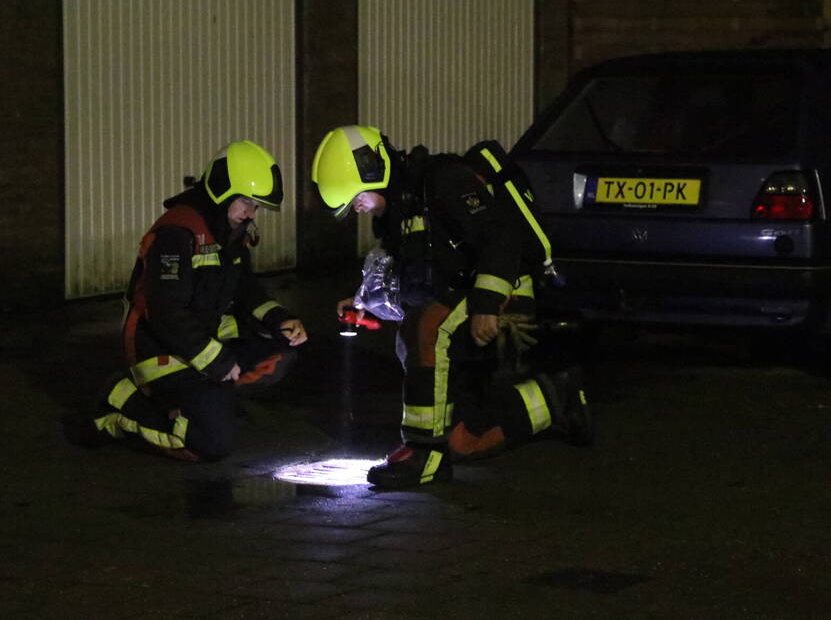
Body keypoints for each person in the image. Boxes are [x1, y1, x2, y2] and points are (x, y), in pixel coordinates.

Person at [311, 125, 591, 488]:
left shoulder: (443, 181)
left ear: (371, 171)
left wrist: (488, 303)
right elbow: (416, 279)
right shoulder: (401, 209)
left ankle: (424, 453)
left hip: (508, 290)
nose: (358, 208)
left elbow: (502, 238)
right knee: (463, 439)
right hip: (464, 297)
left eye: (357, 198)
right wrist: (368, 302)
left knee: (424, 328)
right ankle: (558, 398)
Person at [69, 140, 307, 461]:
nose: (251, 213)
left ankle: (206, 399)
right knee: (210, 444)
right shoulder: (176, 235)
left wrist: (279, 320)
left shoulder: (230, 232)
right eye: (247, 203)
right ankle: (120, 403)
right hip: (162, 351)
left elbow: (246, 290)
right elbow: (167, 315)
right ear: (222, 191)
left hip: (204, 345)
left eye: (257, 206)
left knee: (283, 352)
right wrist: (218, 362)